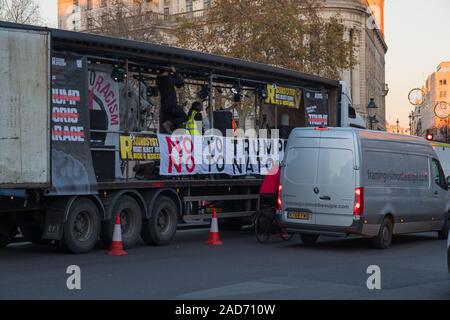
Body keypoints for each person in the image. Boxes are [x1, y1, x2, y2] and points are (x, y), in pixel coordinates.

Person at [156, 66, 187, 133]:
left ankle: (169, 125)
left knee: (172, 122)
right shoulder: (167, 79)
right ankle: (169, 123)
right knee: (184, 117)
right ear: (166, 71)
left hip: (164, 106)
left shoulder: (158, 80)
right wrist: (175, 72)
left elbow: (178, 84)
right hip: (171, 104)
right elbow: (180, 81)